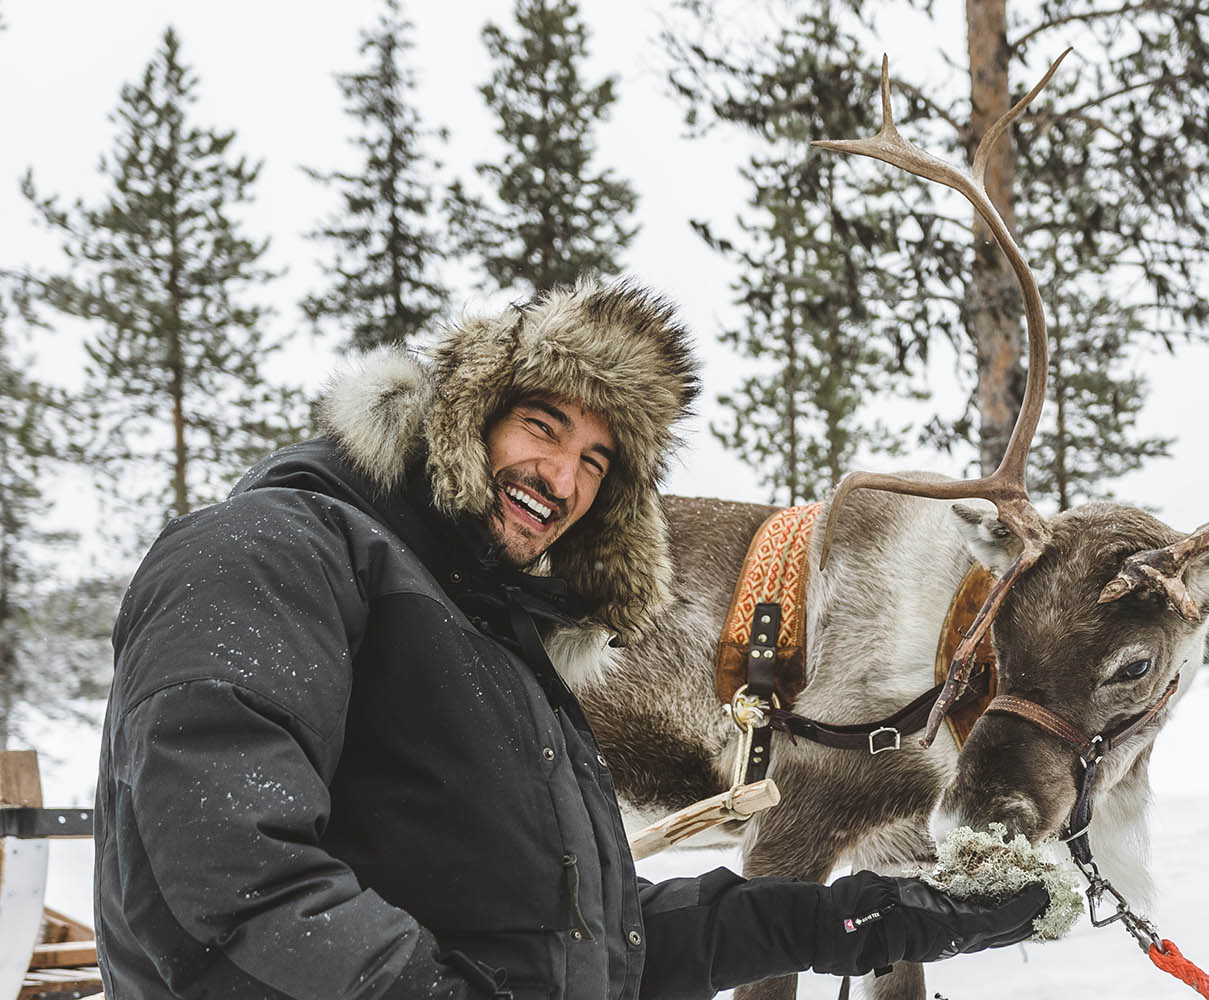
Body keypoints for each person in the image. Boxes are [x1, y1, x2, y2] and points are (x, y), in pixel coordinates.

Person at [94, 280, 1048, 999]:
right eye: (541, 428)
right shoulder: (273, 550)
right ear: (465, 416)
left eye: (596, 460)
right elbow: (227, 874)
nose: (561, 477)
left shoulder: (504, 649)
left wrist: (867, 920)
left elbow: (584, 940)